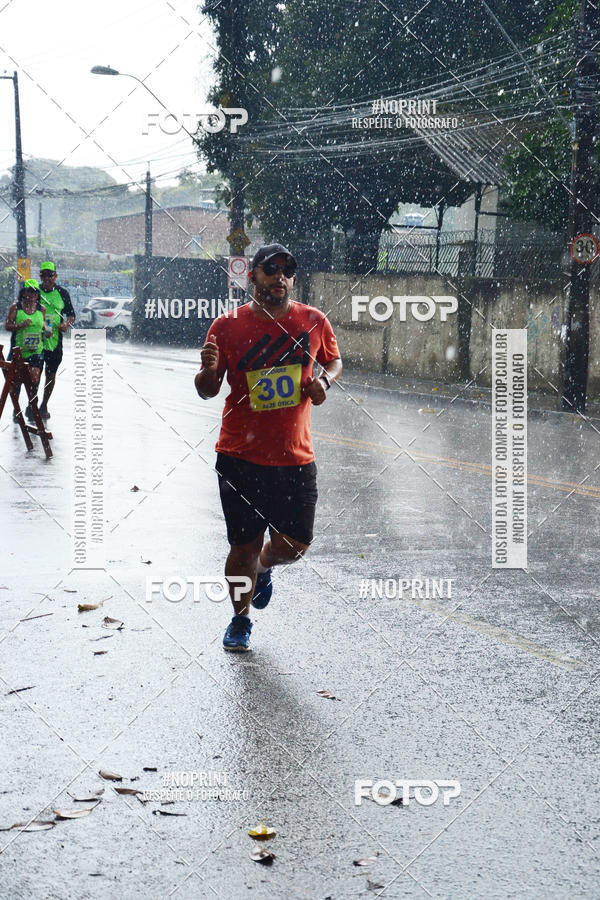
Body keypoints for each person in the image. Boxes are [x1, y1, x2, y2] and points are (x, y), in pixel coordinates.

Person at [195, 243, 342, 651]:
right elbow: (208, 391)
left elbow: (334, 361)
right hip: (240, 455)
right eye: (270, 269)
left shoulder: (313, 321)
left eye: (287, 271)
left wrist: (324, 383)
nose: (280, 277)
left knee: (295, 545)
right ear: (253, 277)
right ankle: (240, 620)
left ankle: (265, 565)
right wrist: (206, 372)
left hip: (294, 456)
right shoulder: (226, 326)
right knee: (240, 547)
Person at [4, 279, 48, 422]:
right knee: (17, 383)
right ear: (24, 293)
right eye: (29, 291)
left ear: (37, 294)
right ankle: (17, 411)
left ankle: (31, 407)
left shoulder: (42, 309)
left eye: (35, 292)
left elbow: (47, 327)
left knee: (34, 379)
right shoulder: (16, 307)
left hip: (36, 350)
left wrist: (48, 331)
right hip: (19, 351)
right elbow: (7, 326)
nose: (32, 295)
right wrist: (21, 325)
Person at [37, 261, 75, 420]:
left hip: (55, 342)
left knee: (50, 375)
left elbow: (71, 315)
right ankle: (31, 404)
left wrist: (65, 324)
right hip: (36, 340)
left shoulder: (63, 293)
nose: (46, 278)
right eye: (43, 275)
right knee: (34, 375)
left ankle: (44, 404)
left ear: (55, 276)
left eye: (49, 275)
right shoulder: (34, 291)